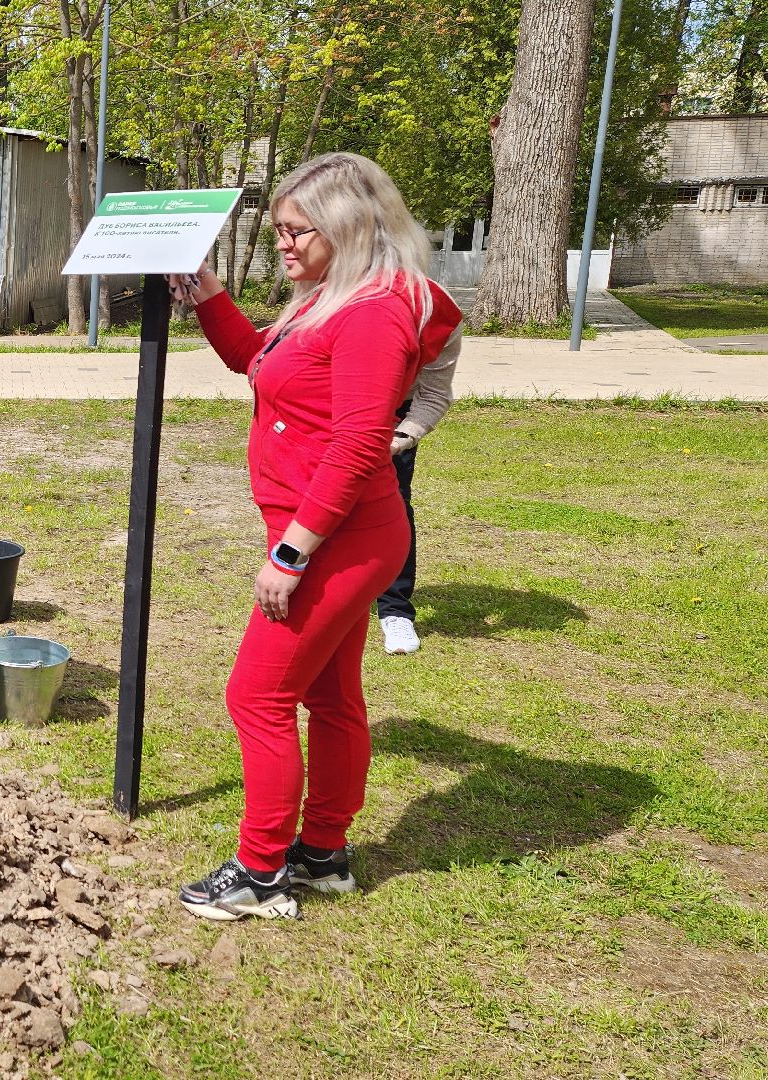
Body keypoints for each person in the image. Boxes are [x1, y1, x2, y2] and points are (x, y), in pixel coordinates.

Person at [170, 152, 462, 920]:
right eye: (281, 232)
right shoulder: (328, 297)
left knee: (257, 695)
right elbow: (256, 360)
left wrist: (291, 554)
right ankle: (323, 854)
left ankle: (262, 874)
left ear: (350, 226)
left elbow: (362, 442)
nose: (286, 246)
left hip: (339, 539)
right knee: (332, 696)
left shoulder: (373, 311)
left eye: (299, 232)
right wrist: (206, 295)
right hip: (329, 532)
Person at [377, 329, 461, 655]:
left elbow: (434, 393)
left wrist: (400, 438)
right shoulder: (328, 292)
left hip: (397, 408)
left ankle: (395, 609)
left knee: (393, 503)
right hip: (331, 401)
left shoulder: (437, 315)